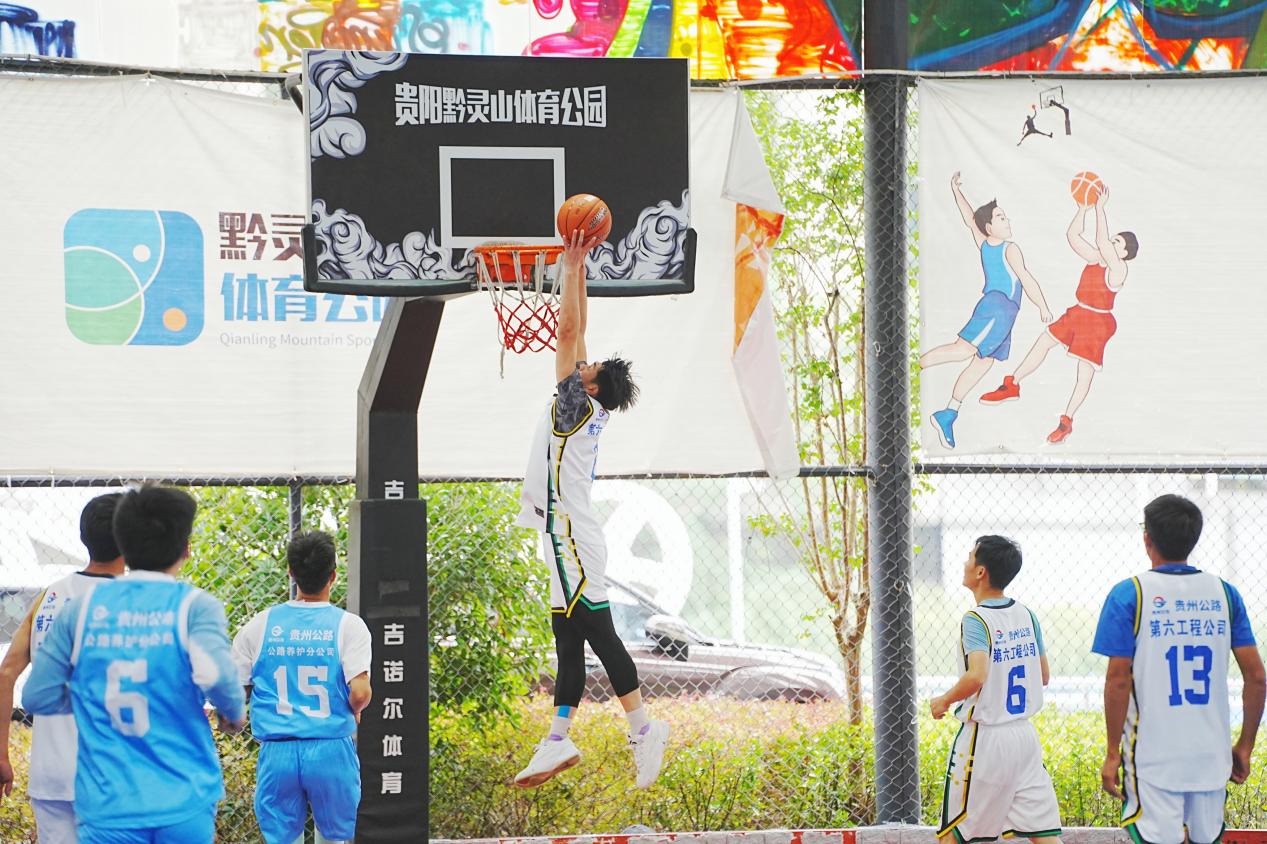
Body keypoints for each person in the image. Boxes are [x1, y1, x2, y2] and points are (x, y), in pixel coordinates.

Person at [513, 228, 669, 789]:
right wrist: (574, 266)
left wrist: (572, 265)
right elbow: (578, 335)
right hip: (567, 534)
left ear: (593, 388)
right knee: (568, 639)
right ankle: (557, 740)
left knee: (599, 635)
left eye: (589, 368)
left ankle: (644, 728)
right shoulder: (584, 404)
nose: (580, 363)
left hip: (570, 537)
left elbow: (568, 331)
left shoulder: (574, 404)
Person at [22, 484, 245, 844]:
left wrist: (90, 697)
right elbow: (218, 678)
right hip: (183, 798)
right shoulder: (195, 606)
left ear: (123, 546)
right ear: (185, 548)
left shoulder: (80, 611)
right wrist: (232, 714)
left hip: (108, 804)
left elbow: (37, 696)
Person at [1093, 494, 1266, 844]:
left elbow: (1118, 681)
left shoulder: (1130, 594)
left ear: (1147, 539)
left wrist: (1113, 754)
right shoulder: (1225, 594)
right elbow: (1257, 678)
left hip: (1153, 759)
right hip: (1211, 757)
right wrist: (1244, 746)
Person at [232, 531, 372, 844]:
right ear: (333, 575)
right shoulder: (349, 626)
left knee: (283, 838)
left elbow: (235, 692)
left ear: (291, 573)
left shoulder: (259, 625)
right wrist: (355, 709)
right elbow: (360, 692)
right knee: (334, 837)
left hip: (278, 749)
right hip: (330, 747)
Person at [0, 493, 124, 843]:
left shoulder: (49, 596)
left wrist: (1, 754)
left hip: (52, 773)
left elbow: (5, 675)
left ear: (85, 536)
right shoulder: (138, 602)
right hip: (113, 775)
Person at [979, 187, 1139, 444]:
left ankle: (1067, 420)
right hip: (1079, 312)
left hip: (1097, 322)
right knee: (1044, 341)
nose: (1110, 242)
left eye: (1116, 242)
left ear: (1124, 253)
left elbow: (1101, 243)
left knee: (1084, 372)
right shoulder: (1096, 258)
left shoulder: (1119, 269)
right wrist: (1083, 210)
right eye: (1112, 239)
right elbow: (1072, 235)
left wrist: (1100, 209)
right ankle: (1012, 384)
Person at [931, 535, 1063, 844]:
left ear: (980, 571)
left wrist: (944, 700)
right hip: (1025, 740)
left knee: (955, 832)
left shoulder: (976, 619)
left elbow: (977, 675)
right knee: (1044, 836)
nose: (965, 562)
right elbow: (1043, 675)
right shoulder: (1027, 615)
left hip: (986, 741)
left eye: (969, 556)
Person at [921, 172, 1054, 449]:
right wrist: (1042, 305)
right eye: (1001, 217)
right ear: (990, 227)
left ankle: (949, 413)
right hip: (997, 308)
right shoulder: (1008, 248)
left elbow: (969, 219)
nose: (1007, 220)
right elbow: (1026, 278)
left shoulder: (985, 243)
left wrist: (956, 190)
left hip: (1005, 315)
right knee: (962, 350)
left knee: (983, 362)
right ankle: (912, 366)